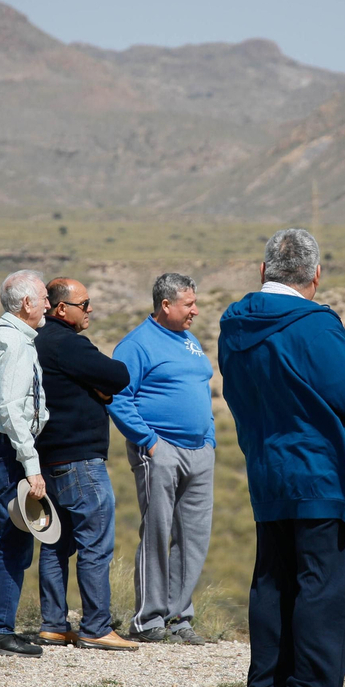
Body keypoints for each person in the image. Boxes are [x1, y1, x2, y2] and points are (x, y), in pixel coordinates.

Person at [217, 228, 345, 687]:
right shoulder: (315, 324)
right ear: (315, 276)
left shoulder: (233, 325)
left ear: (263, 272)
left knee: (273, 579)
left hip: (268, 468)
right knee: (327, 584)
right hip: (322, 472)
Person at [108, 272, 216, 645]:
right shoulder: (137, 344)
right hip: (160, 450)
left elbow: (200, 388)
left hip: (199, 451)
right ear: (166, 304)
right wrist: (150, 442)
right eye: (189, 304)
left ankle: (179, 618)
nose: (196, 311)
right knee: (157, 532)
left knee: (194, 537)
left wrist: (210, 439)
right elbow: (118, 398)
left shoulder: (189, 341)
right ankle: (148, 620)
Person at [33, 278, 138, 651]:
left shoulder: (38, 341)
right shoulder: (67, 343)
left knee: (55, 544)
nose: (90, 310)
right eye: (85, 304)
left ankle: (54, 624)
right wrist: (99, 386)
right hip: (79, 460)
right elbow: (119, 376)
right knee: (94, 543)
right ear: (62, 309)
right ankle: (96, 626)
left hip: (47, 460)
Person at [0, 269, 51, 657]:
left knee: (11, 534)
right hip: (3, 449)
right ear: (27, 304)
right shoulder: (15, 343)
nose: (49, 304)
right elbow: (11, 410)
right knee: (17, 535)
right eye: (43, 298)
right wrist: (32, 465)